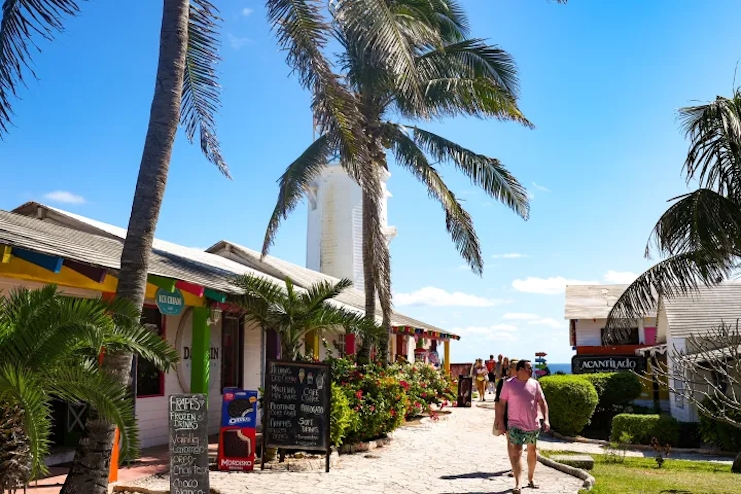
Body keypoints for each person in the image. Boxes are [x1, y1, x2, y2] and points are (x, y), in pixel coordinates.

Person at [495, 359, 550, 494]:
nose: (531, 371)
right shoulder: (508, 384)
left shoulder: (535, 384)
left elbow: (542, 402)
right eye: (528, 368)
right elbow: (501, 404)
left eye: (531, 368)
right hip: (515, 424)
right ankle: (518, 483)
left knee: (532, 451)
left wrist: (546, 419)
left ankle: (531, 478)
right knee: (517, 451)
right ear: (519, 370)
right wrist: (501, 422)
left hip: (532, 424)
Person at [494, 358, 518, 478]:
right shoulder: (503, 383)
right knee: (511, 440)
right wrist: (498, 419)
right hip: (507, 415)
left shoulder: (526, 382)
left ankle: (516, 464)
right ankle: (514, 467)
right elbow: (497, 402)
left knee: (518, 442)